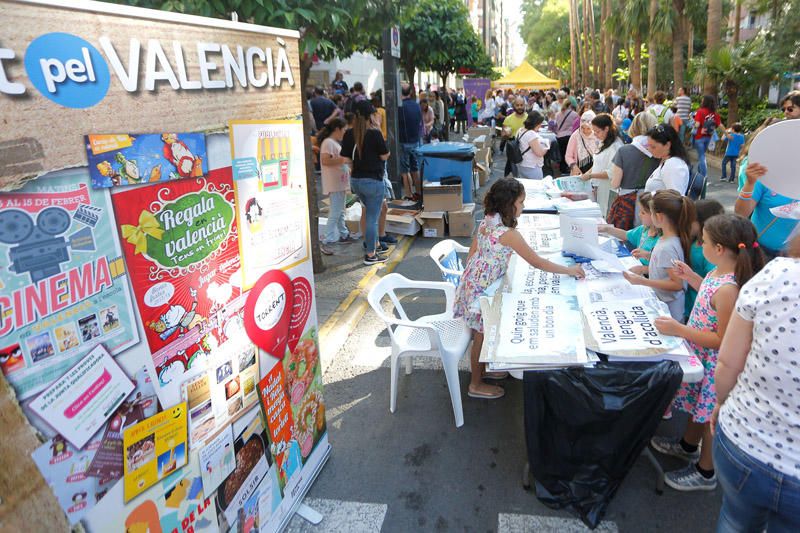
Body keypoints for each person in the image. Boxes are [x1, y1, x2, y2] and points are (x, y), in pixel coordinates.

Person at [651, 214, 764, 492]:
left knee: (708, 419)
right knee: (696, 410)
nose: (700, 244)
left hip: (715, 363)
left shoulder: (729, 289)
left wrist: (680, 329)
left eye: (704, 241)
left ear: (719, 250)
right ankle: (687, 446)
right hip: (701, 356)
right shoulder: (718, 274)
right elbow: (708, 295)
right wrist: (691, 277)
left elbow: (721, 339)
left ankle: (705, 471)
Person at [454, 179, 585, 399]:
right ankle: (475, 384)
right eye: (521, 202)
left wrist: (475, 276)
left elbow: (473, 251)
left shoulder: (487, 221)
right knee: (481, 335)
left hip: (474, 282)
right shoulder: (509, 233)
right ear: (509, 205)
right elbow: (537, 262)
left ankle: (484, 370)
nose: (523, 206)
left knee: (482, 332)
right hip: (483, 289)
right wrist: (569, 270)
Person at [710, 229, 800, 530]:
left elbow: (728, 362)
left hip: (744, 439)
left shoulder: (778, 274)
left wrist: (721, 403)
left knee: (735, 521)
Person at [623, 190, 696, 320]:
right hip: (665, 305)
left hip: (670, 311)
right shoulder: (668, 239)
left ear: (660, 217)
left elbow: (677, 284)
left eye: (650, 213)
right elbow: (665, 265)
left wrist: (643, 281)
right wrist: (649, 256)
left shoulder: (667, 247)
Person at [340, 100, 391, 266]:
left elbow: (345, 158)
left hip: (356, 181)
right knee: (372, 218)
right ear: (370, 116)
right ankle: (370, 255)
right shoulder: (375, 133)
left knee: (367, 213)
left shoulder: (349, 134)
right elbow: (385, 155)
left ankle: (374, 245)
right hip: (373, 181)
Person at [606, 112, 659, 229]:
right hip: (650, 202)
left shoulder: (623, 151)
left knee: (625, 237)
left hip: (627, 202)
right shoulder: (658, 151)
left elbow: (615, 183)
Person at [684, 199, 725, 320]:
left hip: (699, 309)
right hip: (689, 303)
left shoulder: (710, 253)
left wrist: (689, 276)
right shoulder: (695, 241)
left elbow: (711, 287)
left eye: (691, 220)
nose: (687, 223)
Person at [318, 118, 354, 248]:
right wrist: (343, 160)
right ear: (338, 129)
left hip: (339, 182)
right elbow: (325, 161)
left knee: (339, 211)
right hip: (335, 182)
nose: (344, 133)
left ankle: (343, 234)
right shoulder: (328, 143)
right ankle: (327, 239)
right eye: (344, 130)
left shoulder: (331, 142)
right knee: (336, 211)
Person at [599, 191, 660, 266]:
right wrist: (606, 229)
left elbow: (661, 268)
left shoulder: (661, 240)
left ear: (654, 215)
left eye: (643, 212)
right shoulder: (643, 229)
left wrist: (642, 269)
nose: (639, 214)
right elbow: (626, 235)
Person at [580, 113, 624, 216]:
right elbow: (597, 163)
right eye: (594, 131)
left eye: (597, 131)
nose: (595, 134)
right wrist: (587, 173)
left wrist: (591, 175)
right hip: (598, 187)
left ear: (606, 129)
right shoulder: (603, 142)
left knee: (606, 214)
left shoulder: (615, 146)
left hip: (608, 188)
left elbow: (612, 172)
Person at [644, 124, 691, 195]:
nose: (649, 149)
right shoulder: (668, 162)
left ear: (667, 145)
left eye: (653, 147)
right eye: (648, 145)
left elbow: (675, 198)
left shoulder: (673, 165)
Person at [397, 83, 422, 200]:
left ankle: (408, 195)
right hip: (415, 141)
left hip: (403, 142)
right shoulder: (416, 105)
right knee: (415, 169)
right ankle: (419, 193)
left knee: (405, 171)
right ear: (410, 93)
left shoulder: (399, 107)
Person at [693, 95, 721, 179]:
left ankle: (704, 176)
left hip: (699, 137)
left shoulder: (700, 111)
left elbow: (697, 124)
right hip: (708, 137)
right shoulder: (714, 114)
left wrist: (693, 125)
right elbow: (719, 124)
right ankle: (700, 172)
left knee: (701, 156)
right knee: (702, 155)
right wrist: (727, 134)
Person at [515, 111, 549, 180]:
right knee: (537, 188)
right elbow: (540, 153)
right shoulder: (531, 134)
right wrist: (547, 146)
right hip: (532, 166)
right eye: (540, 123)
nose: (540, 125)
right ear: (535, 123)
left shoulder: (520, 130)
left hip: (522, 164)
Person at [565, 109, 598, 175]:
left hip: (595, 172)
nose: (585, 131)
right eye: (583, 128)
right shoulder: (575, 136)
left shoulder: (597, 135)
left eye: (588, 128)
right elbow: (568, 156)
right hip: (578, 172)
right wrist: (573, 166)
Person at [502, 97, 528, 176]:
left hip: (527, 149)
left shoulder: (529, 118)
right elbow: (502, 136)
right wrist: (506, 134)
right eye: (517, 105)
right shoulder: (508, 119)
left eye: (521, 105)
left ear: (524, 105)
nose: (519, 107)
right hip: (513, 149)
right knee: (515, 173)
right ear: (514, 106)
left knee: (526, 171)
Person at [554, 98, 578, 174]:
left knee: (561, 152)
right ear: (570, 105)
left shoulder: (558, 114)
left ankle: (562, 168)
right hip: (569, 136)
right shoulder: (574, 114)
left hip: (559, 136)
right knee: (568, 153)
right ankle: (568, 168)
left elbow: (556, 125)